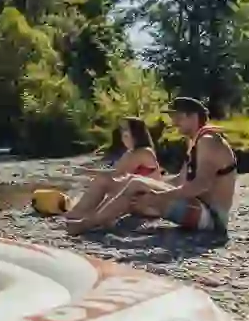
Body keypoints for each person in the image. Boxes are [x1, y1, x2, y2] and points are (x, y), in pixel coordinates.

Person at [66, 97, 237, 235]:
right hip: (197, 208)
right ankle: (86, 217)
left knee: (136, 184)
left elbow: (201, 185)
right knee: (133, 182)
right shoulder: (195, 142)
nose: (174, 122)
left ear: (193, 117)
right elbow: (180, 180)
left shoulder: (208, 141)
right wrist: (149, 187)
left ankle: (87, 224)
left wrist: (157, 196)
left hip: (212, 218)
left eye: (178, 117)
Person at [64, 117, 161, 221]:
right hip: (134, 191)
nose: (123, 136)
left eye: (126, 132)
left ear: (136, 134)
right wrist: (88, 171)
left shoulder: (143, 152)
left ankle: (78, 213)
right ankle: (81, 213)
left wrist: (85, 171)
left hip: (148, 195)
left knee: (102, 181)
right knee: (101, 181)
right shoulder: (131, 153)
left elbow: (116, 174)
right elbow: (116, 173)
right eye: (122, 132)